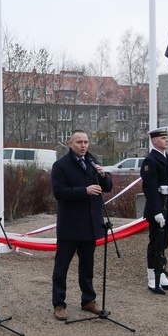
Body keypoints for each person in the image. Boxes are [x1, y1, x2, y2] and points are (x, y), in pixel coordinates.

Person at [51, 129, 113, 321]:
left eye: (86, 142)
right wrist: (84, 191)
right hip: (70, 225)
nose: (83, 145)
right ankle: (59, 304)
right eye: (79, 142)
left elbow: (108, 188)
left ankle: (88, 300)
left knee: (87, 266)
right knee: (61, 267)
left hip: (90, 224)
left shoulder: (92, 163)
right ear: (70, 144)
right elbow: (59, 192)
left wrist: (103, 176)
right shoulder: (61, 165)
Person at [141, 127, 168, 295]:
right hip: (158, 208)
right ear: (154, 141)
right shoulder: (151, 160)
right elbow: (149, 188)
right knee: (155, 242)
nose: (167, 140)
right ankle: (152, 277)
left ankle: (161, 273)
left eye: (166, 137)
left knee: (164, 242)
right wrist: (157, 211)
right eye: (163, 138)